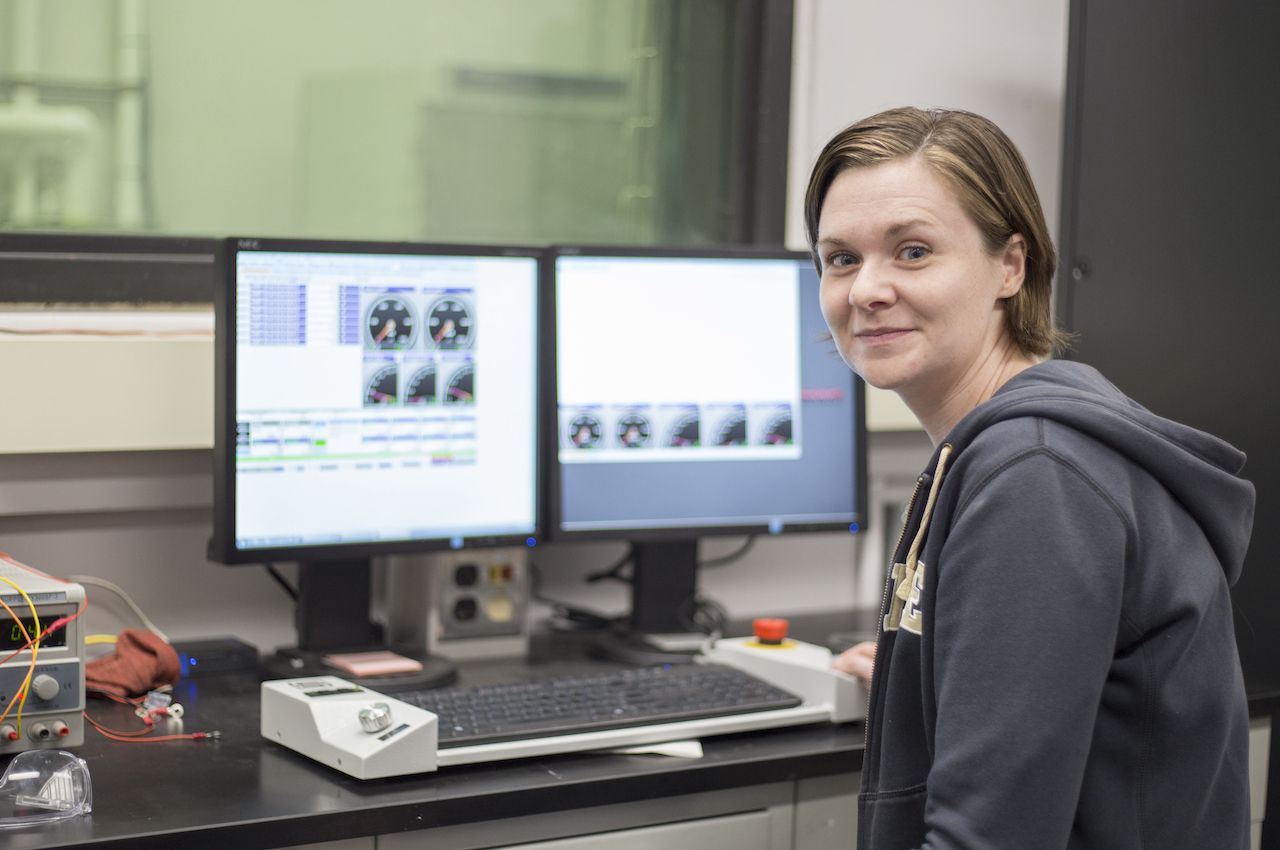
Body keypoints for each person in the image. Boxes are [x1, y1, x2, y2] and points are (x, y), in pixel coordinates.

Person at [808, 107, 1255, 849]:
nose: (866, 290)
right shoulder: (1006, 443)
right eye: (840, 259)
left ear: (1010, 266)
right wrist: (932, 670)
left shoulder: (1037, 474)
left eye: (913, 251)